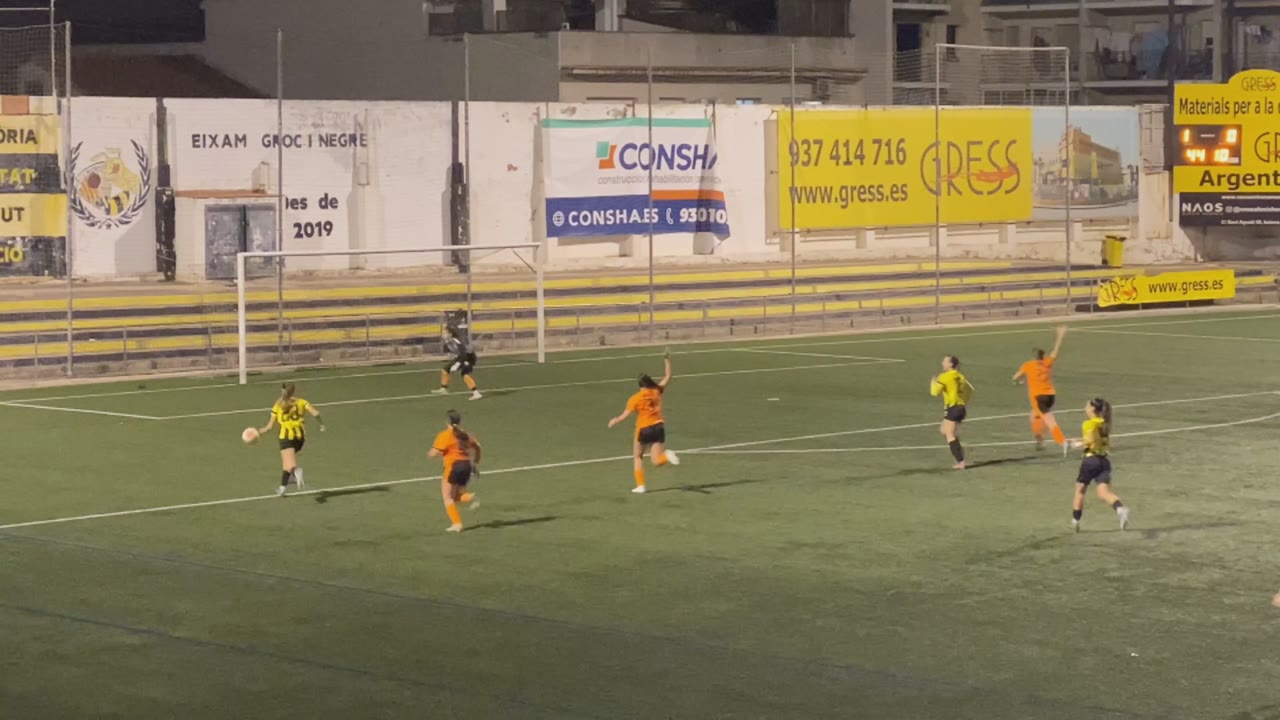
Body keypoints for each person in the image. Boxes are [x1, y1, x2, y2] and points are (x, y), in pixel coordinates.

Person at [608, 350, 680, 494]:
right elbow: (668, 376)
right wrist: (666, 358)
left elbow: (624, 415)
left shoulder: (635, 398)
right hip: (659, 426)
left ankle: (641, 486)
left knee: (637, 457)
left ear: (640, 386)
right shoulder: (656, 391)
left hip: (644, 428)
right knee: (656, 460)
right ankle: (666, 456)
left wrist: (615, 420)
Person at [1069, 397, 1130, 532]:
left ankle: (1076, 521)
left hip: (1090, 461)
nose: (1085, 408)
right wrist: (1080, 440)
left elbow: (1090, 441)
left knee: (1080, 491)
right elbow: (1100, 441)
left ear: (1092, 409)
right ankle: (1120, 509)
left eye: (1087, 406)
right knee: (1104, 493)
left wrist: (1076, 444)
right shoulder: (1104, 423)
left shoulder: (1088, 424)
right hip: (1103, 462)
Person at [257, 383, 324, 497]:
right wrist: (321, 424)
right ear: (293, 391)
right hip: (300, 438)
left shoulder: (278, 405)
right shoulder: (302, 402)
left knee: (290, 464)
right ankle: (283, 488)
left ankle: (296, 471)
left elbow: (269, 427)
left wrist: (260, 431)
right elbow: (316, 413)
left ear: (282, 391)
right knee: (287, 462)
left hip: (286, 437)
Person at [1013, 326, 1068, 452]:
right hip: (1050, 396)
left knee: (1049, 421)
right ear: (1043, 356)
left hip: (1038, 397)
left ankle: (1062, 442)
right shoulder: (1047, 363)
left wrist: (1019, 382)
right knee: (1034, 416)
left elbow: (1015, 378)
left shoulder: (1028, 365)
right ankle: (1040, 442)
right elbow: (1055, 350)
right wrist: (1060, 336)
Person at [429, 409, 482, 533]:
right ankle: (470, 497)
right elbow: (478, 447)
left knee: (447, 497)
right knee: (455, 496)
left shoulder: (445, 435)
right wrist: (475, 463)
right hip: (466, 466)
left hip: (453, 467)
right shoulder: (465, 435)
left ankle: (457, 524)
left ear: (447, 421)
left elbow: (433, 453)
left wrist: (434, 453)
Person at [930, 355, 973, 470]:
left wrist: (933, 382)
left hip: (953, 408)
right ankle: (958, 448)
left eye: (945, 361)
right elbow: (969, 390)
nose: (942, 363)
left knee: (949, 434)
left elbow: (934, 392)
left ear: (950, 364)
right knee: (943, 430)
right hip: (960, 408)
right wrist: (962, 402)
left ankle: (961, 461)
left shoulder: (944, 377)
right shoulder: (960, 376)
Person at [433, 326, 481, 400]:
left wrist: (457, 364)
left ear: (450, 334)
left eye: (445, 333)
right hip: (461, 357)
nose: (443, 334)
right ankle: (443, 389)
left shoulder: (456, 341)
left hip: (468, 358)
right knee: (445, 369)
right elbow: (456, 353)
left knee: (464, 374)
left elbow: (463, 353)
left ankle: (476, 393)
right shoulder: (447, 342)